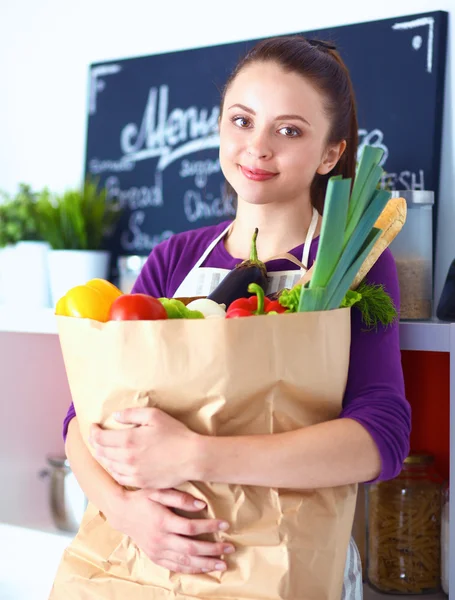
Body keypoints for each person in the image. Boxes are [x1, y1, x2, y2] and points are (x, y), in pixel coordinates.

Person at [63, 35, 411, 599]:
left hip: (279, 560)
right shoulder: (174, 258)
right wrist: (127, 513)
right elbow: (84, 415)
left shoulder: (354, 266)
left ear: (329, 154)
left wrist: (196, 455)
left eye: (290, 130)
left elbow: (381, 438)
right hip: (142, 560)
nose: (258, 147)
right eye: (242, 120)